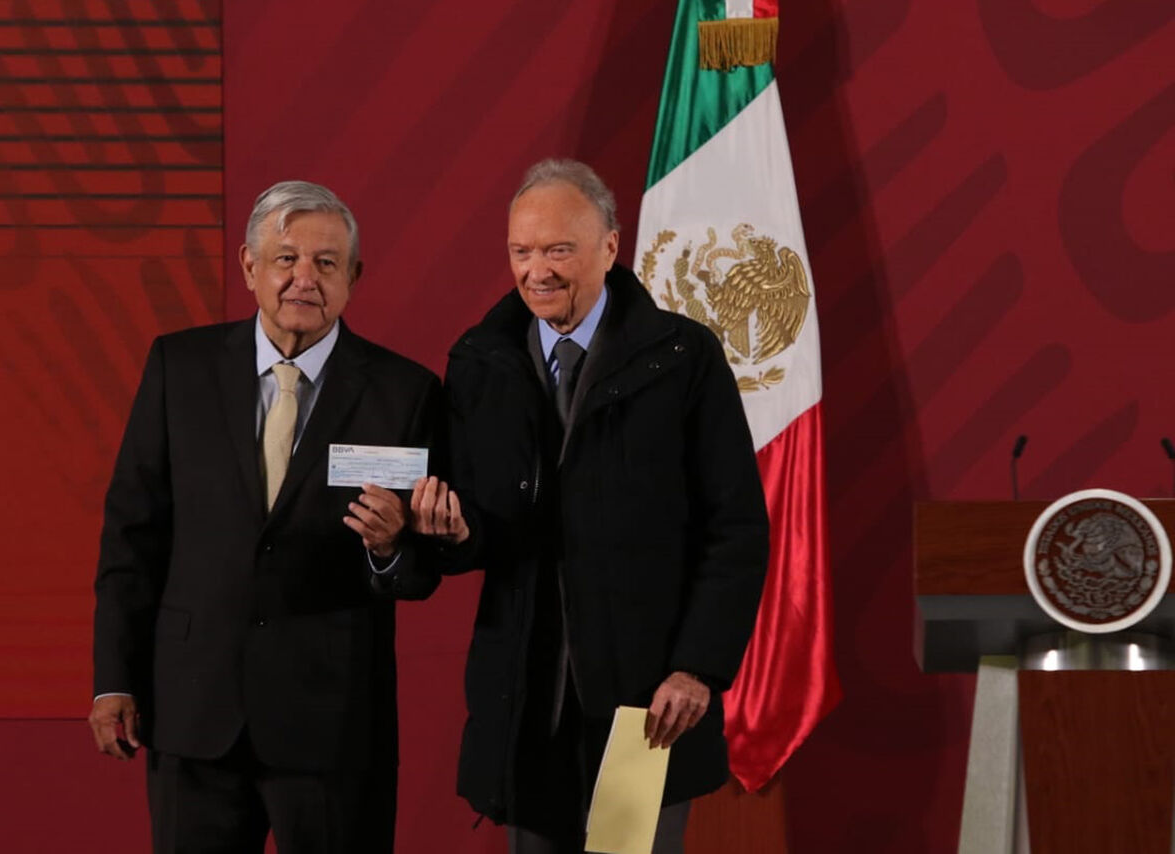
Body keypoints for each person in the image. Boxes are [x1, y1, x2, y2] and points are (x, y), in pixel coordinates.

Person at [411, 159, 770, 853]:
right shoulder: (478, 362)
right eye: (521, 251)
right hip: (525, 704)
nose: (536, 270)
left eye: (558, 250)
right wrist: (451, 533)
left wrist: (697, 668)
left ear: (610, 246)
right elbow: (475, 532)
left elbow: (736, 530)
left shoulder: (684, 358)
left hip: (646, 705)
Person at [89, 180, 442, 853]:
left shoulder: (405, 393)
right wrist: (114, 680)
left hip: (334, 728)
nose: (304, 279)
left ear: (354, 278)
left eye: (326, 263)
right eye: (286, 259)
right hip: (194, 715)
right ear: (250, 267)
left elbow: (425, 568)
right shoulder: (178, 368)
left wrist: (391, 548)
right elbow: (132, 537)